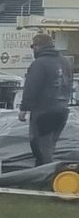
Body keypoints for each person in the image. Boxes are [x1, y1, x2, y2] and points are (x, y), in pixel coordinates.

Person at [19, 31, 70, 169]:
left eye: (33, 46)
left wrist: (24, 108)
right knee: (49, 146)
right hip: (62, 110)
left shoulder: (39, 64)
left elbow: (31, 87)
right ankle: (43, 173)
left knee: (40, 147)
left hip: (44, 111)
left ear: (37, 46)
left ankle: (48, 175)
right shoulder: (64, 62)